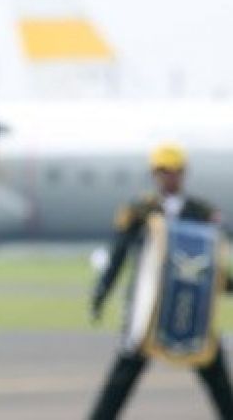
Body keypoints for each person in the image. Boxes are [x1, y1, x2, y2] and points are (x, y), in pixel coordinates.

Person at [88, 143, 233, 419]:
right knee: (124, 375)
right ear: (155, 174)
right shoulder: (139, 213)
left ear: (183, 173)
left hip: (189, 306)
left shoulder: (201, 213)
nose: (169, 177)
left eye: (175, 171)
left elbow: (211, 262)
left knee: (215, 373)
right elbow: (118, 255)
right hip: (148, 308)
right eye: (163, 172)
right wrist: (102, 292)